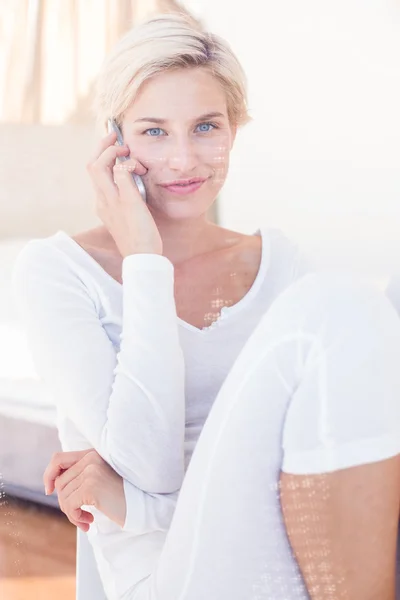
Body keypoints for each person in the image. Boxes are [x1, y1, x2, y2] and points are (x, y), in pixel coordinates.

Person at [12, 12, 400, 600]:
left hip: (294, 548)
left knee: (375, 307)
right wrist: (144, 259)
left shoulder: (282, 265)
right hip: (167, 576)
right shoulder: (57, 272)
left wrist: (135, 503)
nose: (184, 160)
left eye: (205, 127)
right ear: (113, 139)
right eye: (154, 131)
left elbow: (339, 459)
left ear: (235, 129)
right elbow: (151, 465)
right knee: (342, 306)